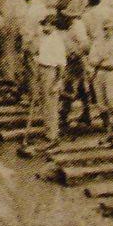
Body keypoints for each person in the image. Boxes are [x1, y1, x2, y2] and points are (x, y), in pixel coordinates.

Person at [35, 15, 68, 145]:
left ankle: (53, 135)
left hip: (51, 72)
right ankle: (47, 131)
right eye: (43, 24)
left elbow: (61, 63)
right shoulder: (44, 38)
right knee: (44, 102)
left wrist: (58, 81)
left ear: (53, 26)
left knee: (51, 104)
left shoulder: (57, 41)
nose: (44, 27)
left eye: (46, 25)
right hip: (42, 70)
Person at [61, 9, 92, 131]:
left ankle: (65, 114)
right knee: (80, 87)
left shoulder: (77, 27)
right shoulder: (71, 27)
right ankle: (84, 112)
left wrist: (75, 54)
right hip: (72, 60)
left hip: (77, 61)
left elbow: (85, 45)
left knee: (71, 86)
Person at [0, 0, 23, 82]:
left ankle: (10, 74)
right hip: (15, 18)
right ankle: (14, 73)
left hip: (9, 18)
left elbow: (0, 4)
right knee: (15, 47)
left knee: (9, 47)